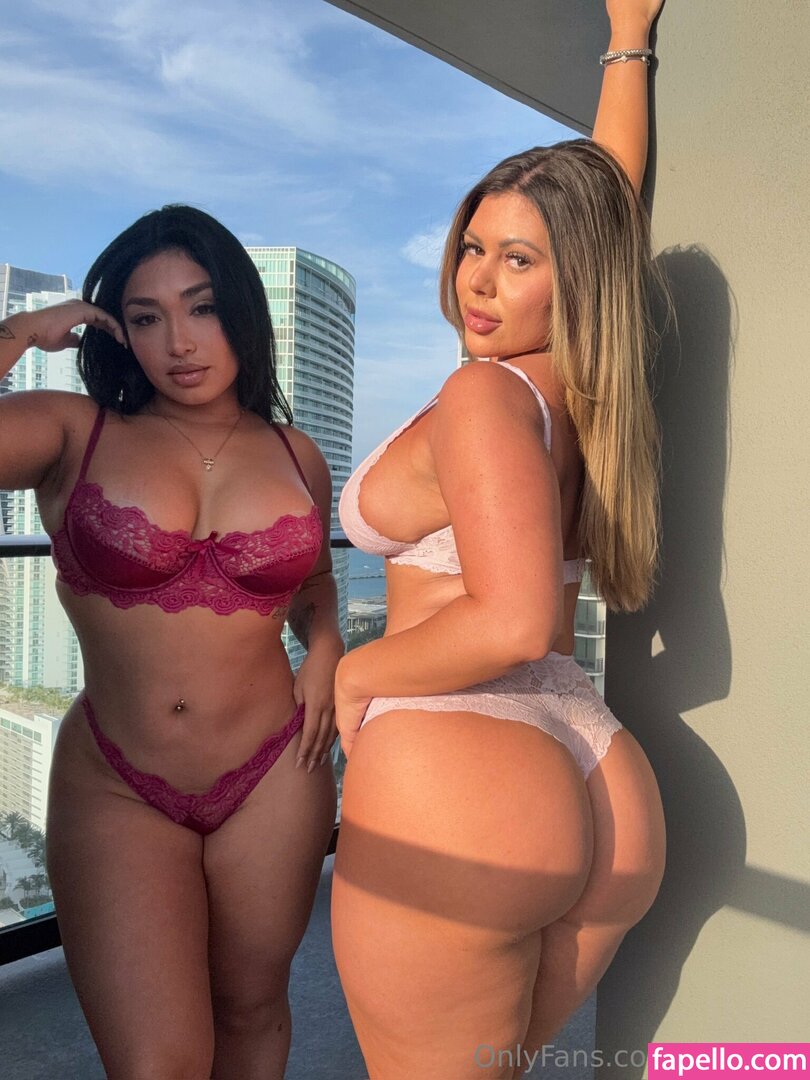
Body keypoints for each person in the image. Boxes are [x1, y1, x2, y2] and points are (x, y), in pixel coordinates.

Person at [331, 2, 667, 1076]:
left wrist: (356, 674)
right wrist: (628, 40)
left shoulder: (483, 397)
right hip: (592, 763)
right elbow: (607, 205)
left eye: (517, 259)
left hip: (461, 770)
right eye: (474, 247)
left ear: (574, 275)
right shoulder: (581, 392)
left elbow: (512, 617)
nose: (477, 279)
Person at [0, 205, 342, 1078]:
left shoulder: (296, 454)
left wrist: (327, 645)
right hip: (118, 780)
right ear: (118, 332)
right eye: (146, 318)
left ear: (241, 311)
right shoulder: (75, 431)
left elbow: (311, 582)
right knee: (159, 1064)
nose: (179, 343)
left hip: (276, 770)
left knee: (253, 1012)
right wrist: (19, 332)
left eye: (201, 308)